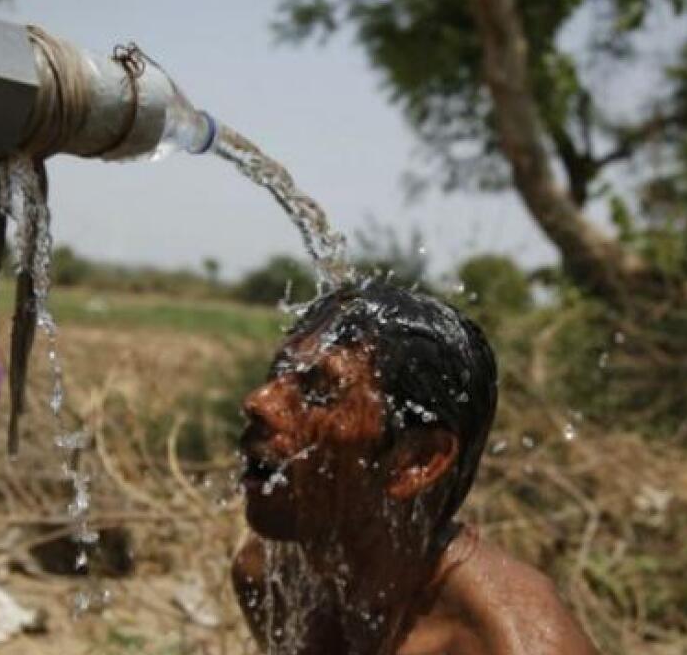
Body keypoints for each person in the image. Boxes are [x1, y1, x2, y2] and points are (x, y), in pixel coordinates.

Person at [232, 280, 597, 655]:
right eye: (279, 372)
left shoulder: (513, 641)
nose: (258, 401)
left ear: (417, 461)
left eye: (320, 390)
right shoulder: (272, 577)